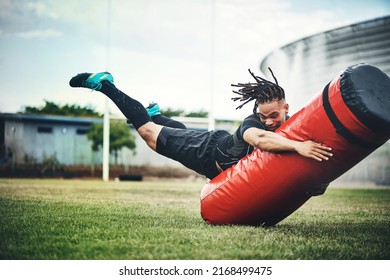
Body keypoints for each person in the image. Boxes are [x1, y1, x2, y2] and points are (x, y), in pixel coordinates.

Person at [69, 69, 333, 179]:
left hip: (215, 149)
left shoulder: (292, 124)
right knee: (150, 134)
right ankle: (106, 84)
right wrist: (299, 147)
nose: (268, 121)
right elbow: (260, 139)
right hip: (208, 152)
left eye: (274, 115)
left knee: (177, 135)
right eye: (264, 115)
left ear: (286, 108)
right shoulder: (253, 123)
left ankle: (156, 114)